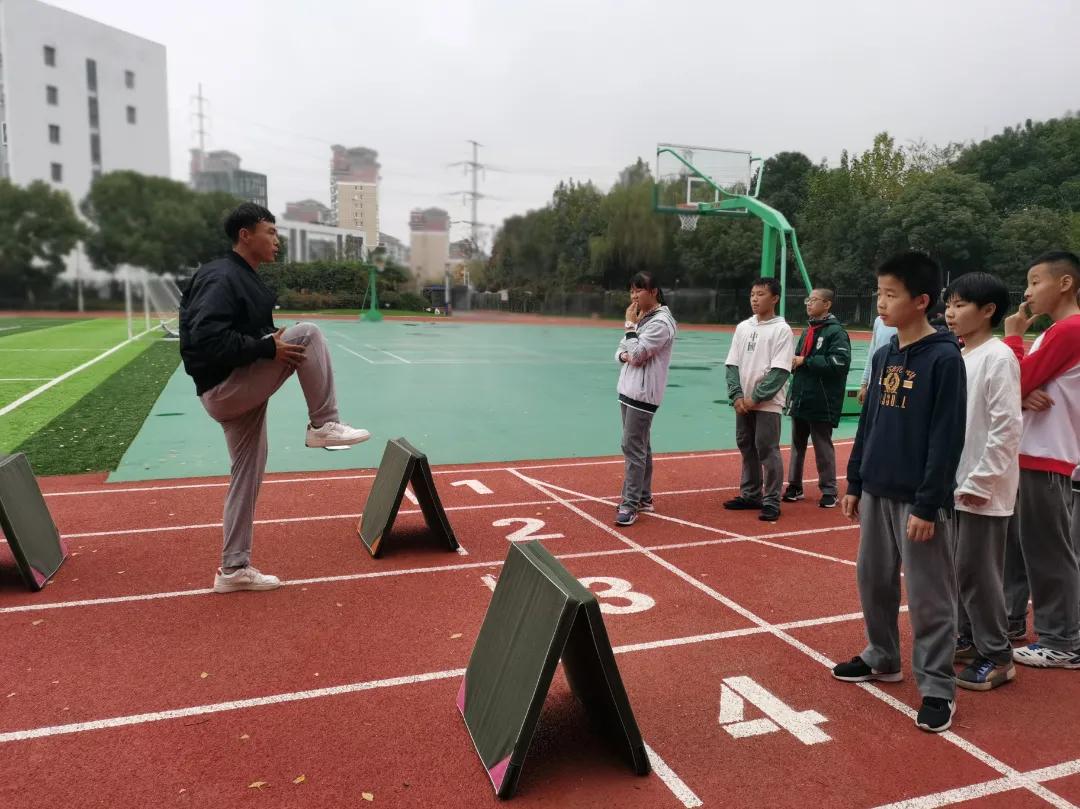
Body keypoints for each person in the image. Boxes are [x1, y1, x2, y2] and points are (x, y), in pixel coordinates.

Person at [180, 203, 370, 594]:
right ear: (245, 235)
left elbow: (241, 333)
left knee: (246, 475)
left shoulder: (243, 277)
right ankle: (323, 424)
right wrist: (268, 347)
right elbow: (206, 339)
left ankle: (233, 570)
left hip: (232, 389)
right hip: (226, 387)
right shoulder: (221, 275)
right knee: (308, 334)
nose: (277, 240)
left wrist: (266, 342)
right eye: (270, 231)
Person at [832, 251, 966, 734]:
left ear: (921, 301)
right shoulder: (885, 352)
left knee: (929, 595)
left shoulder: (944, 359)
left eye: (891, 294)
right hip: (876, 490)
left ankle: (937, 685)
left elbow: (946, 438)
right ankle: (882, 656)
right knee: (873, 580)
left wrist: (928, 504)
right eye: (879, 293)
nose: (881, 302)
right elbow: (868, 424)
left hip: (919, 500)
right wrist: (855, 481)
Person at [943, 272, 1022, 690]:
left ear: (988, 310)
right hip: (956, 482)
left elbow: (1007, 427)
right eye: (949, 304)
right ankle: (969, 637)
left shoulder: (998, 357)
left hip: (982, 490)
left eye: (960, 305)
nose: (950, 313)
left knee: (977, 572)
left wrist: (980, 481)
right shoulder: (959, 355)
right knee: (958, 569)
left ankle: (997, 654)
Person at [1001, 250, 1080, 669]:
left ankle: (1062, 639)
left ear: (1065, 283)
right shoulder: (1055, 332)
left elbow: (1011, 381)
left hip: (1046, 456)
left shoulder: (1070, 330)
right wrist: (1021, 390)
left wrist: (1013, 337)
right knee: (1017, 547)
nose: (1027, 292)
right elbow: (1018, 386)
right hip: (1031, 454)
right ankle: (1012, 619)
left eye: (1035, 282)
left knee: (1048, 552)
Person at [723, 277, 795, 522]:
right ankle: (751, 494)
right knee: (746, 446)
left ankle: (771, 500)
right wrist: (737, 395)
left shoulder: (781, 330)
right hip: (743, 402)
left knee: (767, 449)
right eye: (753, 294)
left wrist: (756, 398)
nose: (755, 299)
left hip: (768, 403)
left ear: (775, 298)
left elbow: (780, 371)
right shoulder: (743, 327)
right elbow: (732, 364)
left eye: (761, 294)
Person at [614, 272, 677, 526]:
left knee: (632, 447)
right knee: (641, 446)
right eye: (631, 291)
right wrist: (626, 352)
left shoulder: (661, 322)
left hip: (643, 394)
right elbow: (621, 351)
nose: (634, 296)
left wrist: (630, 328)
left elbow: (638, 355)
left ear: (653, 292)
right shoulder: (644, 318)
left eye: (638, 290)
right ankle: (643, 497)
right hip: (629, 390)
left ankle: (630, 504)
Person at [782, 288, 851, 509]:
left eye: (813, 300)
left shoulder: (836, 332)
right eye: (808, 300)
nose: (808, 304)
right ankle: (794, 486)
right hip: (801, 396)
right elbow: (799, 358)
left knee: (822, 445)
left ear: (827, 304)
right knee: (797, 444)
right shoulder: (808, 330)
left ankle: (829, 490)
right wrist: (794, 364)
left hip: (822, 399)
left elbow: (840, 363)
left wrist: (806, 361)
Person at [858, 315, 897, 404]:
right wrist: (864, 384)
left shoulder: (908, 324)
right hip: (874, 385)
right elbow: (872, 352)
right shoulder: (879, 320)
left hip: (892, 387)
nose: (880, 307)